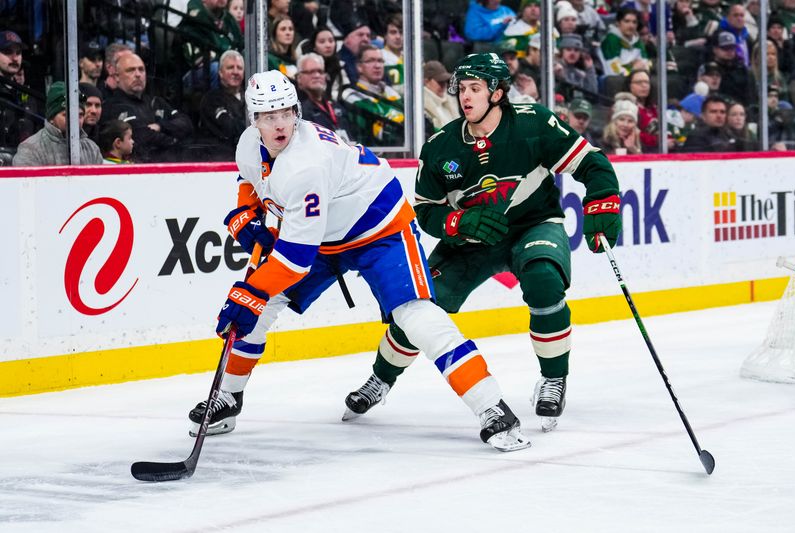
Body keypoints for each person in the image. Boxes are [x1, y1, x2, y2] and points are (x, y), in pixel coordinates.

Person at [187, 70, 531, 452]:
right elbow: (250, 178)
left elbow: (295, 259)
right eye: (269, 117)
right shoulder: (248, 145)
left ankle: (492, 407)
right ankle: (229, 399)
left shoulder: (306, 164)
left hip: (377, 227)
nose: (280, 123)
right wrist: (244, 214)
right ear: (254, 120)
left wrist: (249, 293)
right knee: (260, 306)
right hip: (323, 235)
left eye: (287, 112)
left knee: (416, 317)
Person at [343, 53, 622, 433]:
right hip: (470, 242)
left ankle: (553, 378)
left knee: (544, 280)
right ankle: (381, 379)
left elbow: (592, 164)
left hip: (532, 224)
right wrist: (459, 221)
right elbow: (425, 212)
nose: (465, 97)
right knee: (422, 308)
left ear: (498, 93)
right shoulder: (442, 146)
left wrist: (603, 200)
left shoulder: (533, 123)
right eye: (462, 89)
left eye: (476, 88)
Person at [102, 53, 194, 162]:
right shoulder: (114, 106)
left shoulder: (156, 102)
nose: (138, 75)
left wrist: (159, 126)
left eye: (141, 70)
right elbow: (142, 136)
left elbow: (186, 124)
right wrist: (175, 141)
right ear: (117, 77)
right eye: (131, 70)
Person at [13, 81, 103, 166]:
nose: (75, 121)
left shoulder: (92, 149)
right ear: (51, 118)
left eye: (80, 115)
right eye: (67, 115)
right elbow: (26, 182)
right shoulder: (30, 149)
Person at [340, 45, 404, 146]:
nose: (377, 65)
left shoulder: (392, 92)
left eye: (380, 61)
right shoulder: (351, 95)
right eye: (371, 61)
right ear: (359, 67)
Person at [198, 49, 247, 160]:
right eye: (230, 67)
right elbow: (229, 127)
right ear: (220, 72)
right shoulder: (211, 99)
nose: (235, 71)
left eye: (239, 68)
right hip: (220, 160)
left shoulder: (251, 97)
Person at [296, 52, 351, 141]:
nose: (317, 76)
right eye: (311, 72)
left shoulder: (337, 107)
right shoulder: (296, 110)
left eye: (320, 71)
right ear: (299, 78)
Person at [600, 7, 650, 76]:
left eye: (634, 22)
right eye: (627, 21)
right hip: (614, 81)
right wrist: (633, 67)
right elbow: (614, 71)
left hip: (637, 77)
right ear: (618, 23)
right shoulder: (611, 40)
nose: (631, 25)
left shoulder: (637, 41)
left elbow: (646, 63)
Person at [422, 60, 460, 131]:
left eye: (445, 81)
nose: (444, 85)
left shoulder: (451, 102)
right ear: (426, 81)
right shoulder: (421, 108)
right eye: (440, 82)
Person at [267, 15, 298, 79]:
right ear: (275, 34)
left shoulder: (296, 60)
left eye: (291, 29)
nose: (288, 33)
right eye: (283, 29)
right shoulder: (269, 59)